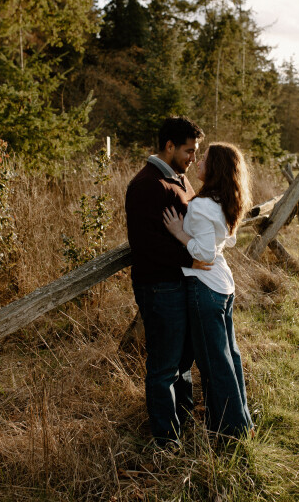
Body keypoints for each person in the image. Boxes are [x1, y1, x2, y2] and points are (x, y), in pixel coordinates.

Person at [125, 116, 207, 449]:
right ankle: (166, 440)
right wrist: (190, 259)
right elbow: (146, 244)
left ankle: (183, 419)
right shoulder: (147, 184)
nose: (193, 158)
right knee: (163, 366)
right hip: (160, 287)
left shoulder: (179, 179)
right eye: (189, 151)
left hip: (181, 282)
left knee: (183, 360)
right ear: (169, 146)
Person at [163, 142, 254, 438]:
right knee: (229, 357)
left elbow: (204, 254)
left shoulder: (203, 206)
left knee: (215, 364)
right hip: (222, 286)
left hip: (205, 288)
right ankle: (242, 422)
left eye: (204, 158)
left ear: (215, 168)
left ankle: (231, 431)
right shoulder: (223, 200)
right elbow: (225, 241)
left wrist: (179, 233)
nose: (198, 162)